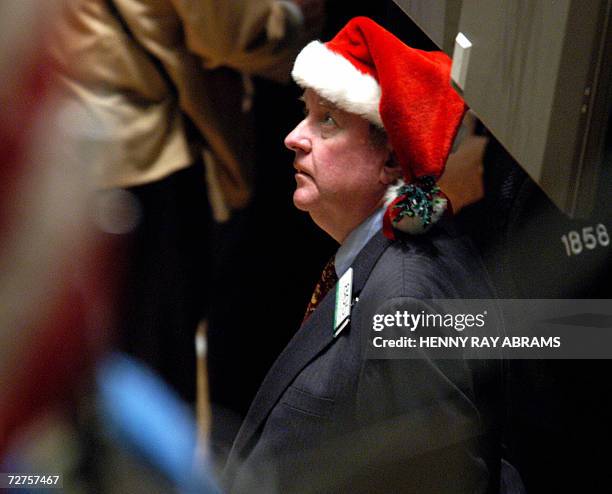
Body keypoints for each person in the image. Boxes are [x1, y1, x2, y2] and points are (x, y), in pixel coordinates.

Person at [223, 17, 504, 493]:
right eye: (304, 112)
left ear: (393, 159)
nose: (294, 136)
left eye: (327, 120)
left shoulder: (403, 304)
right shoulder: (379, 252)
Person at [48, 0, 324, 402]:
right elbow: (236, 35)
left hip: (78, 125)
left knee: (88, 356)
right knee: (146, 373)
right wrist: (305, 17)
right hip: (141, 152)